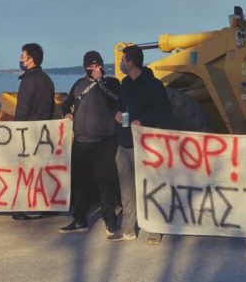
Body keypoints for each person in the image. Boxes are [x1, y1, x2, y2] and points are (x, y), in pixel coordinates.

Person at [109, 45, 172, 245]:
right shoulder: (124, 84)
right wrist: (116, 114)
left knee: (150, 186)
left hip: (146, 144)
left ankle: (154, 228)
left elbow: (165, 113)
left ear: (131, 62)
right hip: (124, 142)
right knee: (126, 188)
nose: (121, 63)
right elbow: (118, 106)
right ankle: (128, 228)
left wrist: (142, 121)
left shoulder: (154, 85)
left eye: (123, 60)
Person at [58, 51, 121, 235]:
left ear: (102, 65)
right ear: (85, 67)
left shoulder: (112, 83)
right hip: (81, 140)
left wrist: (100, 81)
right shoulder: (79, 84)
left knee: (106, 181)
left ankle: (110, 220)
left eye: (97, 65)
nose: (94, 69)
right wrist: (66, 113)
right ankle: (79, 219)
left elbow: (115, 100)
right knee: (81, 182)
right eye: (91, 66)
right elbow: (67, 102)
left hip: (104, 140)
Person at [12, 43, 55, 220]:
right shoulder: (47, 80)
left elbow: (23, 109)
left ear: (31, 59)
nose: (20, 59)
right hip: (43, 131)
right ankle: (47, 206)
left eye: (22, 56)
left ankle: (21, 208)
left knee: (24, 172)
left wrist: (16, 130)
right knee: (41, 171)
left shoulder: (28, 81)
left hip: (28, 131)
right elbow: (51, 107)